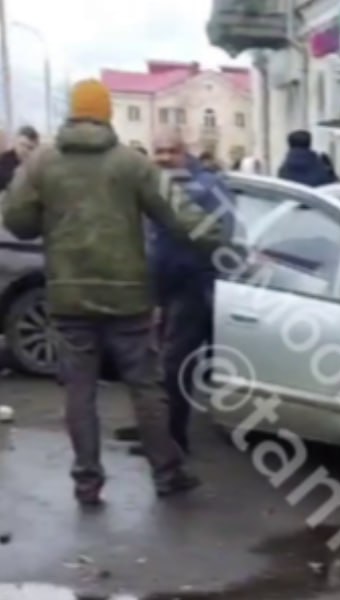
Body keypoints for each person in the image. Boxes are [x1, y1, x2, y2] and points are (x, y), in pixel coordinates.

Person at [1, 79, 223, 506]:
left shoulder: (43, 164)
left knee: (79, 389)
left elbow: (19, 222)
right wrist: (223, 244)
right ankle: (167, 473)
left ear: (72, 113)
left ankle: (87, 481)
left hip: (68, 296)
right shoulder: (132, 165)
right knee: (145, 385)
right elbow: (181, 217)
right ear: (106, 115)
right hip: (128, 298)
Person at [147, 129, 235, 455]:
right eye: (159, 151)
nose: (164, 158)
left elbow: (223, 235)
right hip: (162, 287)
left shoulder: (209, 186)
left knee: (175, 364)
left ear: (185, 153)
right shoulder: (154, 186)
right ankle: (164, 435)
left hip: (193, 285)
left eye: (171, 151)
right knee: (162, 367)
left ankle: (174, 440)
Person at [0, 125, 39, 192]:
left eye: (30, 147)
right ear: (15, 142)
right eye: (22, 144)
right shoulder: (4, 160)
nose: (25, 150)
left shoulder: (37, 163)